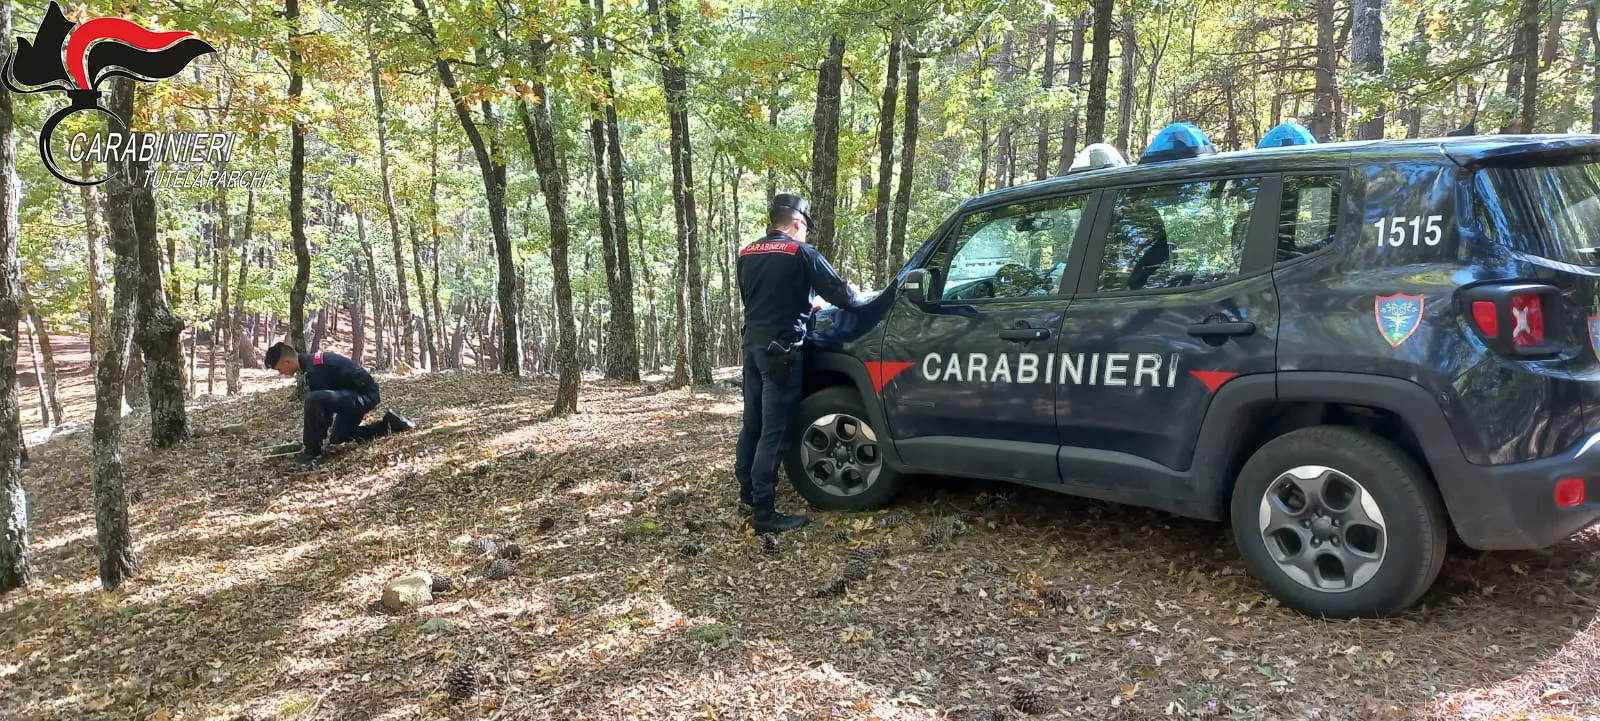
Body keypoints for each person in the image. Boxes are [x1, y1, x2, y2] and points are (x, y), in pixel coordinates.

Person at [735, 193, 867, 534]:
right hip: (782, 354)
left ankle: (747, 493)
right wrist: (863, 299)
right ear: (797, 224)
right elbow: (844, 296)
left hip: (752, 346)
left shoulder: (747, 253)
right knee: (774, 431)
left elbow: (757, 301)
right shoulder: (800, 252)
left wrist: (806, 308)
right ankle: (765, 511)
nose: (806, 234)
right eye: (805, 228)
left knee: (753, 422)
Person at [264, 342, 415, 468]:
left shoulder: (314, 370)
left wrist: (313, 441)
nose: (281, 373)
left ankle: (311, 453)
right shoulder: (312, 365)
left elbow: (321, 407)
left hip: (364, 396)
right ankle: (389, 424)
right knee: (339, 438)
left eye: (279, 369)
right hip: (352, 397)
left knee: (312, 399)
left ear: (287, 362)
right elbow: (326, 408)